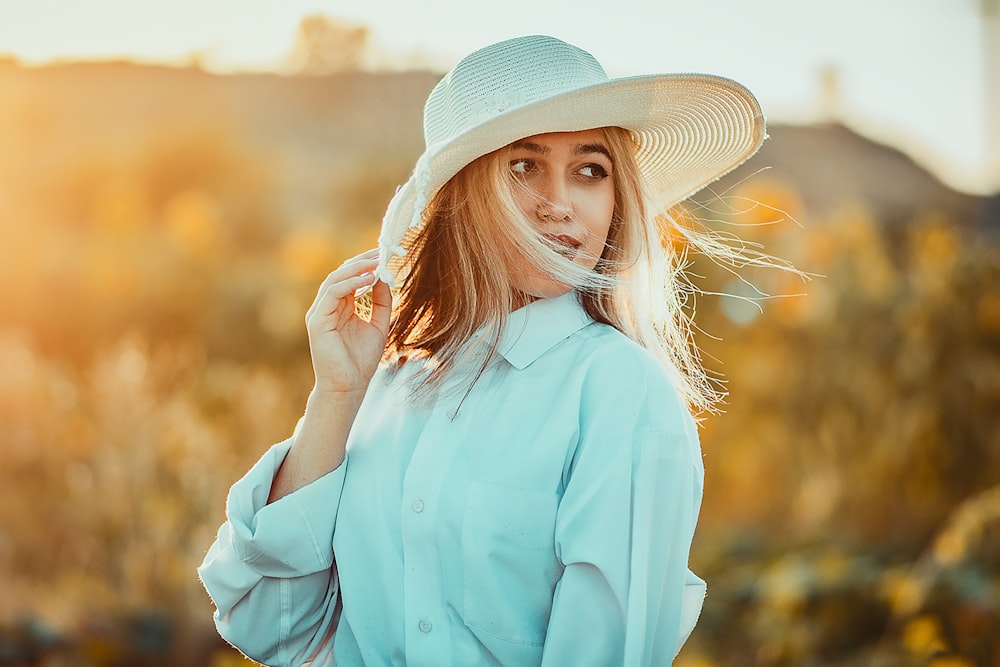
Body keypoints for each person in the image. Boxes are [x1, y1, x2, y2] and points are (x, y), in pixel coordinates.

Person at [199, 34, 771, 666]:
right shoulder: (389, 388)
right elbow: (268, 624)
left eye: (590, 170)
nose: (559, 205)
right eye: (524, 166)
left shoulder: (618, 393)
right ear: (464, 194)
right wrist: (337, 393)